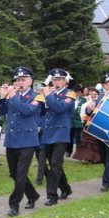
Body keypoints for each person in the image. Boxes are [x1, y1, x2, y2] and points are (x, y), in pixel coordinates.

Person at [0, 67, 44, 215]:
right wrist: (3, 97)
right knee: (14, 173)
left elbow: (27, 111)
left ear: (30, 81)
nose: (19, 82)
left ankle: (14, 205)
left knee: (21, 173)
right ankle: (33, 195)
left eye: (23, 79)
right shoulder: (12, 96)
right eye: (17, 80)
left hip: (28, 140)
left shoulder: (37, 97)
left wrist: (13, 96)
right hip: (11, 139)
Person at [40, 69, 75, 206]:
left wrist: (48, 96)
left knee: (55, 164)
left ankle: (52, 196)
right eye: (54, 79)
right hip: (48, 133)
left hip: (61, 133)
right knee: (54, 164)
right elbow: (43, 111)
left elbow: (59, 108)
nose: (56, 82)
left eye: (60, 79)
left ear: (65, 81)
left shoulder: (70, 94)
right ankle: (65, 188)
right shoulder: (50, 93)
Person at [85, 72, 109, 191]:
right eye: (107, 84)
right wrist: (89, 109)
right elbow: (90, 114)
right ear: (103, 86)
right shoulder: (100, 97)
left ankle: (107, 183)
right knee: (105, 157)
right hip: (102, 134)